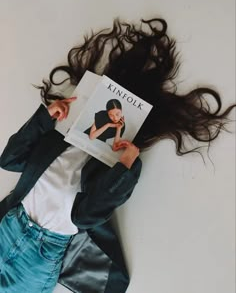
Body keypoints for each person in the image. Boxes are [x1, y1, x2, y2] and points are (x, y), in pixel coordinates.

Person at [0, 18, 235, 293]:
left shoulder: (104, 160)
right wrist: (45, 117)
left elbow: (94, 210)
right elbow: (9, 159)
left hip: (42, 253)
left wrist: (126, 166)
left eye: (119, 115)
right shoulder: (57, 138)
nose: (116, 116)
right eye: (113, 112)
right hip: (12, 225)